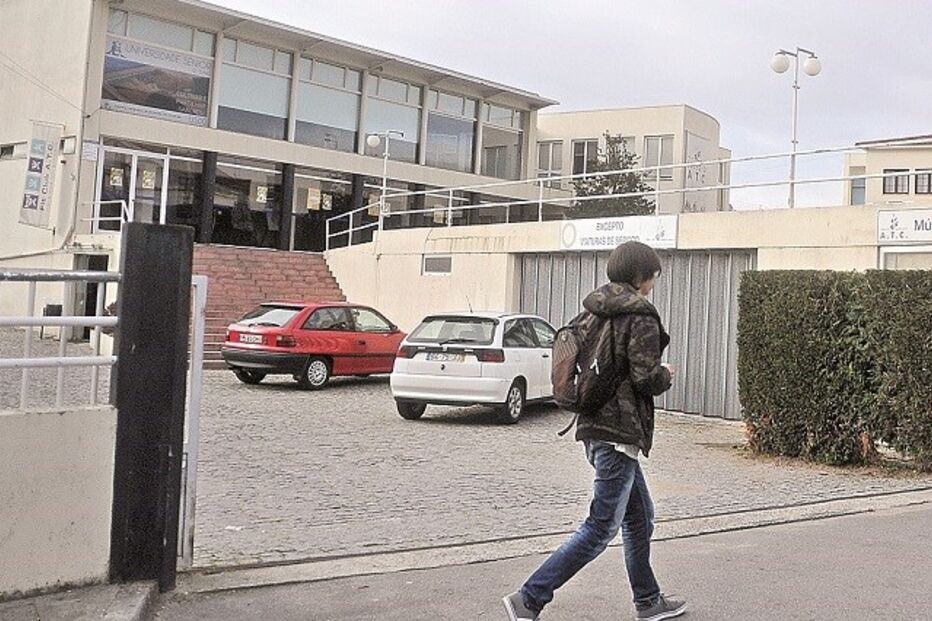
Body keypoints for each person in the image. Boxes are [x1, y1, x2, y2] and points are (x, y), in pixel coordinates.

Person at [503, 241, 685, 621]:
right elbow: (643, 377)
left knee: (640, 518)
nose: (654, 282)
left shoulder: (590, 312)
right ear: (641, 277)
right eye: (653, 275)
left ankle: (648, 600)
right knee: (601, 527)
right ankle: (530, 597)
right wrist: (665, 375)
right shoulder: (641, 316)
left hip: (592, 426)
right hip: (619, 432)